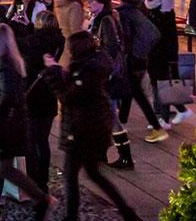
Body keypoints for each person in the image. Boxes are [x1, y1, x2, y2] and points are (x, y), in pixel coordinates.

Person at [43, 30, 143, 221]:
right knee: (94, 173)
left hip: (82, 132)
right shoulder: (92, 65)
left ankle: (72, 217)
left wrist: (53, 73)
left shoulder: (86, 71)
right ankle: (127, 212)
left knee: (71, 176)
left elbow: (68, 96)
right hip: (92, 130)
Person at [0, 23, 54, 220]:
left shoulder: (5, 65)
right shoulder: (5, 63)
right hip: (1, 123)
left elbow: (9, 97)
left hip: (5, 126)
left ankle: (42, 199)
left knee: (2, 167)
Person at [86, 0, 134, 169]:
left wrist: (100, 65)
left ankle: (124, 156)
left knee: (111, 116)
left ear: (102, 3)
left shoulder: (105, 20)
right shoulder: (99, 19)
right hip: (105, 75)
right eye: (88, 1)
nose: (90, 5)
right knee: (105, 115)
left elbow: (111, 47)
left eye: (93, 1)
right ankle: (103, 154)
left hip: (108, 77)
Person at [115, 0, 167, 142]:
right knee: (130, 90)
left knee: (136, 93)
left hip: (131, 59)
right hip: (141, 59)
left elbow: (126, 37)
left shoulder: (124, 14)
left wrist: (127, 51)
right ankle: (121, 122)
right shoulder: (138, 12)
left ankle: (157, 128)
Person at [21, 9, 64, 193]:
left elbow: (25, 54)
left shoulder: (32, 42)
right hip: (49, 94)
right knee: (43, 141)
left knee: (30, 141)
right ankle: (43, 181)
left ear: (38, 23)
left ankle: (33, 180)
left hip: (32, 95)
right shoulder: (58, 41)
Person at [144, 0, 191, 125]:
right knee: (157, 84)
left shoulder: (165, 9)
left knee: (162, 85)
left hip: (163, 53)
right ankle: (179, 111)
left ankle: (162, 118)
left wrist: (171, 57)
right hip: (151, 53)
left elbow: (170, 35)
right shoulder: (147, 5)